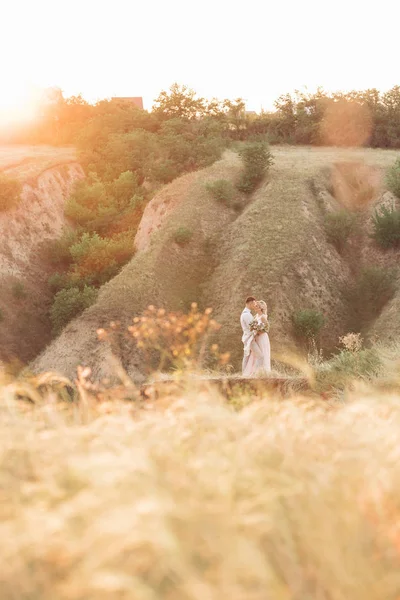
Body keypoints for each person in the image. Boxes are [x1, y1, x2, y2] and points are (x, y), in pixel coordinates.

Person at [240, 296, 263, 376]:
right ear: (249, 303)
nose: (255, 305)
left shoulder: (247, 314)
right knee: (260, 356)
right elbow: (253, 328)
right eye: (254, 303)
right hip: (250, 339)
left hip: (248, 338)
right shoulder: (246, 315)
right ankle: (255, 374)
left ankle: (245, 375)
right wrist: (260, 330)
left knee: (246, 357)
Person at [253, 300, 271, 373]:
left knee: (263, 353)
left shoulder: (263, 317)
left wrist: (258, 332)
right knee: (258, 354)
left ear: (260, 308)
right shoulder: (256, 316)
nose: (255, 307)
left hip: (262, 338)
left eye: (257, 306)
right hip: (257, 338)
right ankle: (257, 371)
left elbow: (267, 329)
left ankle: (265, 372)